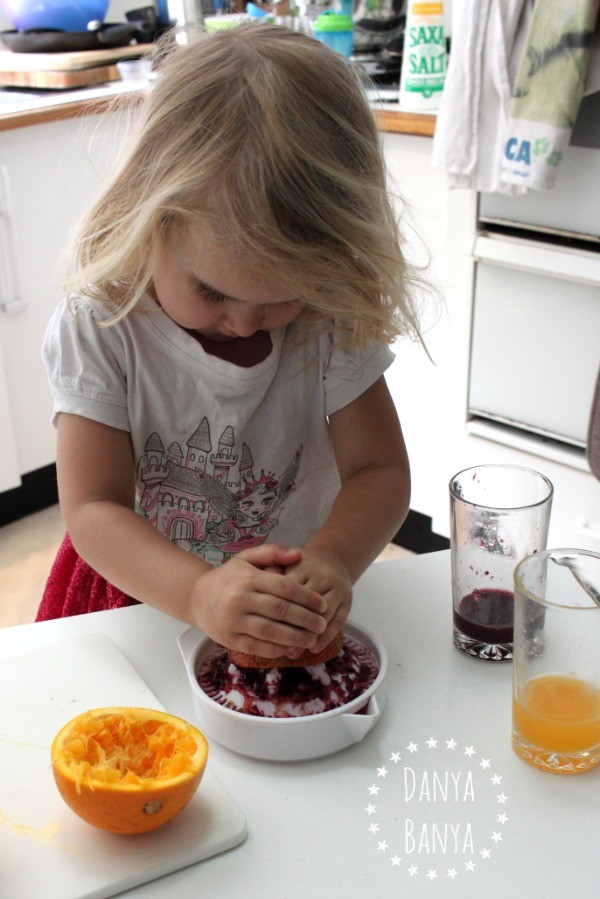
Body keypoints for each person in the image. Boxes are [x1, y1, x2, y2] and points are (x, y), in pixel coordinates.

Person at [37, 23, 425, 664]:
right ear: (148, 216)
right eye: (213, 293)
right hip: (144, 597)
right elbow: (93, 508)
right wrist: (196, 595)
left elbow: (379, 470)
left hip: (289, 607)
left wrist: (333, 557)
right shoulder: (101, 325)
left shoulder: (327, 315)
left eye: (279, 300)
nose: (246, 323)